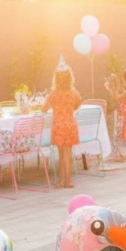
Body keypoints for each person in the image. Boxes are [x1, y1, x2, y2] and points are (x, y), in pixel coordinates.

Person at [42, 56, 82, 188]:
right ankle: (68, 181)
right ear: (70, 77)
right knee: (68, 154)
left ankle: (59, 181)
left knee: (61, 155)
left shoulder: (53, 94)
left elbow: (44, 109)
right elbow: (77, 105)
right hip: (70, 125)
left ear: (56, 78)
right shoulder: (74, 93)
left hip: (58, 126)